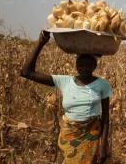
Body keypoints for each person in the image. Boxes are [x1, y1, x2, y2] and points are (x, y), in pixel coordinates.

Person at [21, 31, 112, 164]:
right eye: (80, 64)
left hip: (91, 135)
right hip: (69, 136)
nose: (84, 68)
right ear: (76, 65)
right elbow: (26, 72)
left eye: (88, 65)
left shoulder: (102, 85)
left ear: (95, 66)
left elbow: (105, 118)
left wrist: (103, 145)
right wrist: (41, 43)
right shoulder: (65, 81)